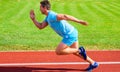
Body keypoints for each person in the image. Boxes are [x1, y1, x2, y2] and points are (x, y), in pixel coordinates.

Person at [30, 0, 99, 71]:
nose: (39, 9)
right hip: (73, 32)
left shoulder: (52, 15)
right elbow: (41, 26)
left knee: (58, 51)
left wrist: (79, 21)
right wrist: (33, 19)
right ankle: (93, 63)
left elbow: (65, 16)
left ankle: (80, 50)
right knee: (75, 52)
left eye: (40, 7)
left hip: (69, 34)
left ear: (44, 8)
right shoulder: (48, 17)